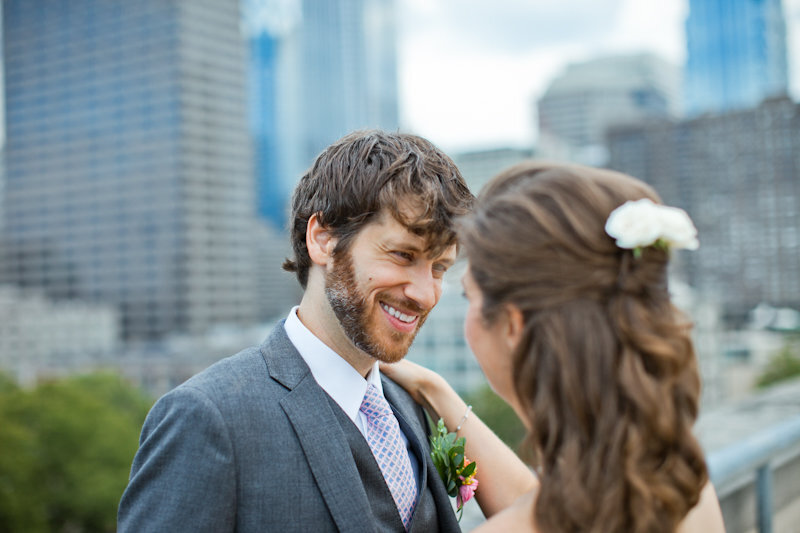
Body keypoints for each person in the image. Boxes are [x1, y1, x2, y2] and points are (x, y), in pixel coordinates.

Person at [117, 130, 475, 532]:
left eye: (440, 267)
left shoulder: (409, 407)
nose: (425, 294)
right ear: (323, 239)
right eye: (403, 254)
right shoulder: (206, 417)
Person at [382, 161, 727, 532]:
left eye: (469, 296)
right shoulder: (683, 489)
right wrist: (435, 390)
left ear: (514, 326)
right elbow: (546, 500)